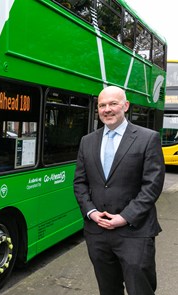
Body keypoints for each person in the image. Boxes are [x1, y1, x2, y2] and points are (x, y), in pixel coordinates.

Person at [73, 86, 165, 295]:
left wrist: (125, 217)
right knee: (108, 290)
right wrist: (92, 213)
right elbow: (80, 182)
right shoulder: (87, 141)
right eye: (102, 105)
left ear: (125, 106)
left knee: (140, 289)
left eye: (113, 104)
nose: (107, 109)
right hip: (97, 232)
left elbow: (152, 185)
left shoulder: (147, 138)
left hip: (135, 232)